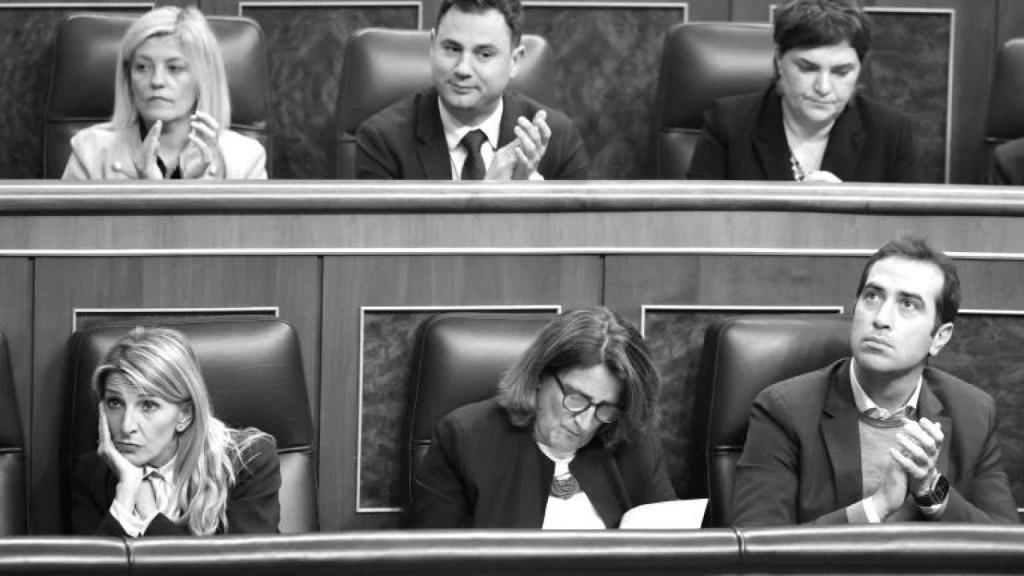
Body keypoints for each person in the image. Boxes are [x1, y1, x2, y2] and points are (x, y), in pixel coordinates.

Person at [732, 237, 1018, 526]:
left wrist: (931, 490)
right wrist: (877, 507)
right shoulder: (785, 411)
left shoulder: (973, 413)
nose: (881, 318)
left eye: (908, 304)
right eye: (872, 296)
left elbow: (1007, 550)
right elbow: (758, 552)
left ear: (940, 337)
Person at [412, 307, 677, 528]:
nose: (585, 423)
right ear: (540, 375)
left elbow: (672, 554)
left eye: (605, 408)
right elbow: (433, 563)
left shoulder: (632, 443)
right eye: (577, 399)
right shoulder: (463, 439)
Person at [71, 327, 281, 536]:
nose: (127, 427)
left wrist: (148, 511)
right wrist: (127, 490)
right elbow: (93, 567)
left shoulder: (247, 462)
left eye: (148, 405)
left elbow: (246, 568)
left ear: (184, 415)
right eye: (115, 402)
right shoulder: (92, 474)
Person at [687, 0, 918, 182]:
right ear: (779, 60)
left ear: (859, 68)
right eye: (808, 68)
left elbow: (908, 235)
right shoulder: (728, 124)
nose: (823, 88)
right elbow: (697, 226)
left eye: (841, 72)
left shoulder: (891, 133)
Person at [356, 0, 589, 180]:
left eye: (484, 54)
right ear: (433, 46)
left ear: (515, 61)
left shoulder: (557, 139)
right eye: (452, 49)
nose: (463, 69)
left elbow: (575, 239)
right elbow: (388, 241)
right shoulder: (383, 140)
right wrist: (488, 195)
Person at [62, 6, 267, 180]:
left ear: (203, 79)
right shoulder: (90, 152)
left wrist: (195, 190)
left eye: (174, 68)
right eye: (142, 67)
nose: (157, 81)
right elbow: (69, 228)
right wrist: (146, 193)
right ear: (127, 79)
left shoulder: (245, 160)